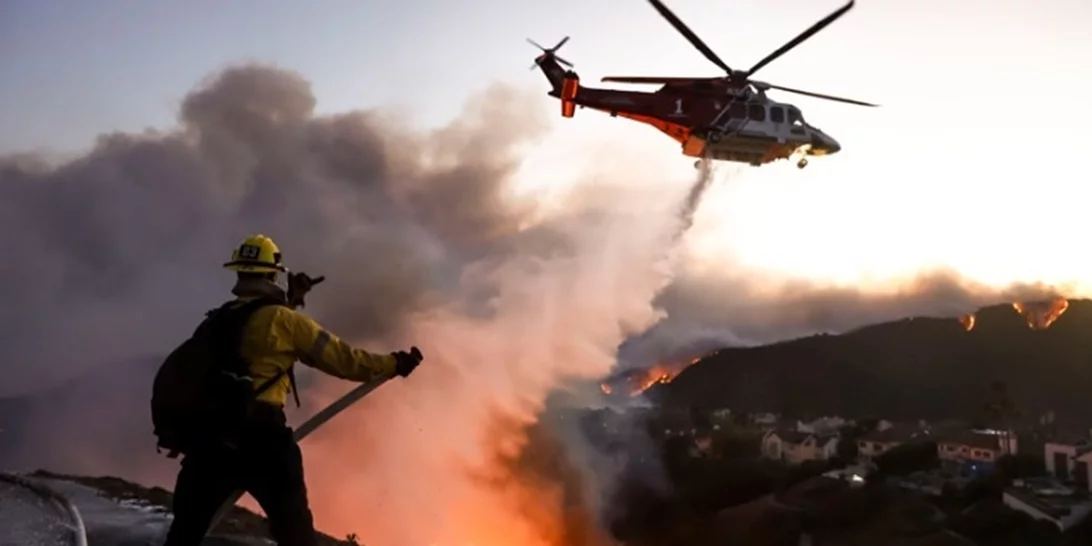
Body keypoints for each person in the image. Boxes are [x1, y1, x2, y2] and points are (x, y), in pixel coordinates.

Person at [162, 234, 423, 546]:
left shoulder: (219, 320)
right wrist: (394, 363)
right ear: (273, 274)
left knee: (184, 534)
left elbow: (257, 327)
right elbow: (346, 361)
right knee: (295, 533)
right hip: (262, 439)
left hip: (211, 442)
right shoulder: (286, 322)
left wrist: (292, 299)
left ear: (240, 272)